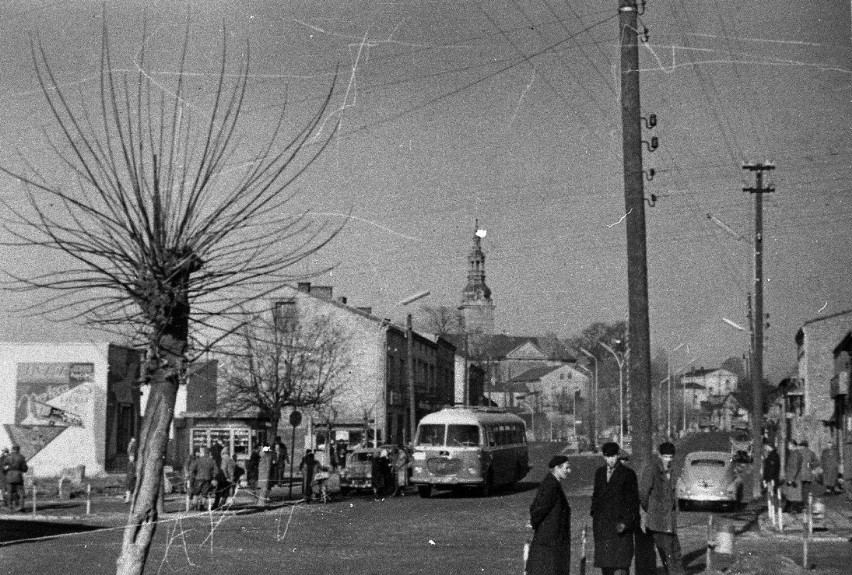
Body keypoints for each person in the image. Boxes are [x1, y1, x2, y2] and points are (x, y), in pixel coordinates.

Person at [591, 442, 640, 575]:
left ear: (618, 455)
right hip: (603, 530)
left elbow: (633, 503)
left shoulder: (628, 474)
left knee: (620, 568)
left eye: (613, 456)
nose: (610, 460)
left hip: (620, 529)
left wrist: (625, 523)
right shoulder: (599, 473)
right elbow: (596, 496)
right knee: (606, 568)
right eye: (607, 457)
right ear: (604, 457)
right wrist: (595, 514)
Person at [639, 442, 684, 575]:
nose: (668, 460)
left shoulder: (672, 471)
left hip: (669, 519)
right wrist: (651, 509)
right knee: (668, 553)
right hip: (657, 521)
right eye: (665, 457)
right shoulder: (652, 469)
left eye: (671, 457)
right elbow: (643, 493)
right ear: (659, 455)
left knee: (675, 550)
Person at [525, 454, 572, 575]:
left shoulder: (553, 483)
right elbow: (539, 508)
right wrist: (533, 522)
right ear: (557, 468)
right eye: (566, 468)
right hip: (549, 541)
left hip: (552, 540)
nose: (569, 471)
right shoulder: (551, 485)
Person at [188, 445, 219, 510]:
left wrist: (194, 476)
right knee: (205, 494)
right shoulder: (212, 461)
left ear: (203, 453)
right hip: (207, 479)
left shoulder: (198, 460)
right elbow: (216, 471)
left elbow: (192, 470)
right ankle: (202, 506)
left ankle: (194, 505)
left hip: (198, 478)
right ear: (209, 453)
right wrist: (213, 477)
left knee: (196, 493)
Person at [4, 444, 28, 512]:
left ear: (12, 449)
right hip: (18, 477)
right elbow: (25, 469)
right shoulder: (21, 457)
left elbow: (3, 468)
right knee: (21, 493)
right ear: (18, 449)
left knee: (9, 493)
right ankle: (21, 507)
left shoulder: (7, 457)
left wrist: (7, 470)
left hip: (9, 476)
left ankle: (10, 508)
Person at [783, 439, 804, 513]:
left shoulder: (795, 454)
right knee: (792, 494)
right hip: (794, 477)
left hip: (793, 478)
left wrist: (791, 479)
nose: (787, 446)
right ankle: (789, 509)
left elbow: (795, 467)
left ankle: (793, 509)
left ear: (792, 445)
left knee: (793, 494)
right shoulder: (795, 453)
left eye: (788, 445)